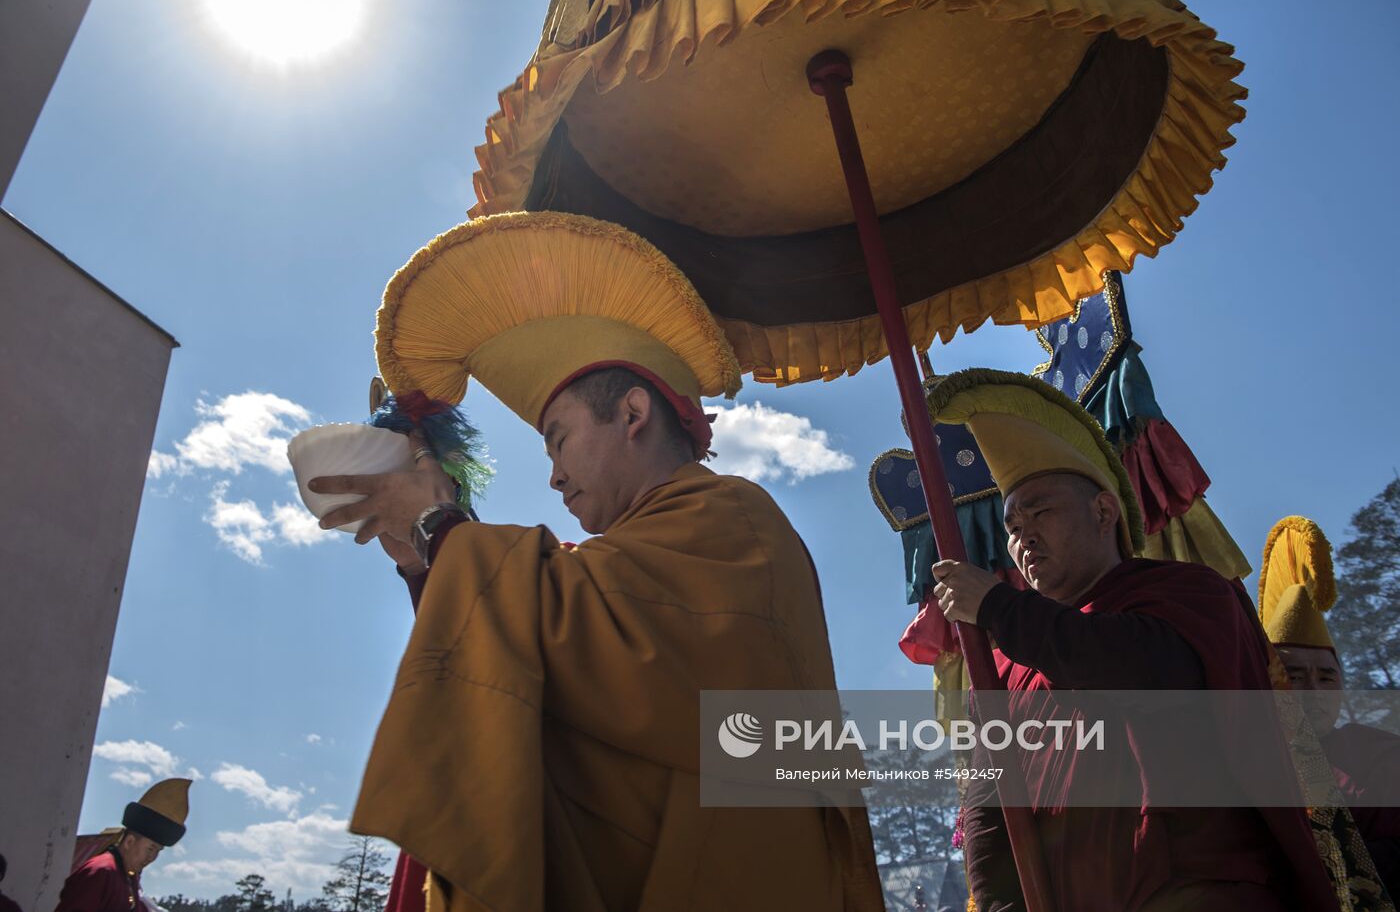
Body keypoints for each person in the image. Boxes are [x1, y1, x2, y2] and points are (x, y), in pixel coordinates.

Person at [311, 212, 883, 911]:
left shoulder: (733, 519)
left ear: (633, 412)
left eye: (558, 440)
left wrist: (439, 524)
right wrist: (423, 562)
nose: (553, 476)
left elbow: (610, 663)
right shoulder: (618, 567)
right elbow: (529, 672)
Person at [921, 369, 1338, 912]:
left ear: (1102, 511)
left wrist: (999, 608)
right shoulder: (1000, 667)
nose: (1023, 536)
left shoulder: (1188, 593)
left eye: (1040, 511)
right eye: (1013, 527)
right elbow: (988, 806)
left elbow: (1143, 671)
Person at [1260, 516, 1400, 900]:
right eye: (1293, 676)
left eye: (1326, 678)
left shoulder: (1380, 756)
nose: (1312, 692)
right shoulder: (1240, 759)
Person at [55, 779, 190, 912]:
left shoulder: (129, 877)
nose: (152, 857)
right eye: (150, 849)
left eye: (157, 851)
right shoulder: (100, 871)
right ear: (129, 842)